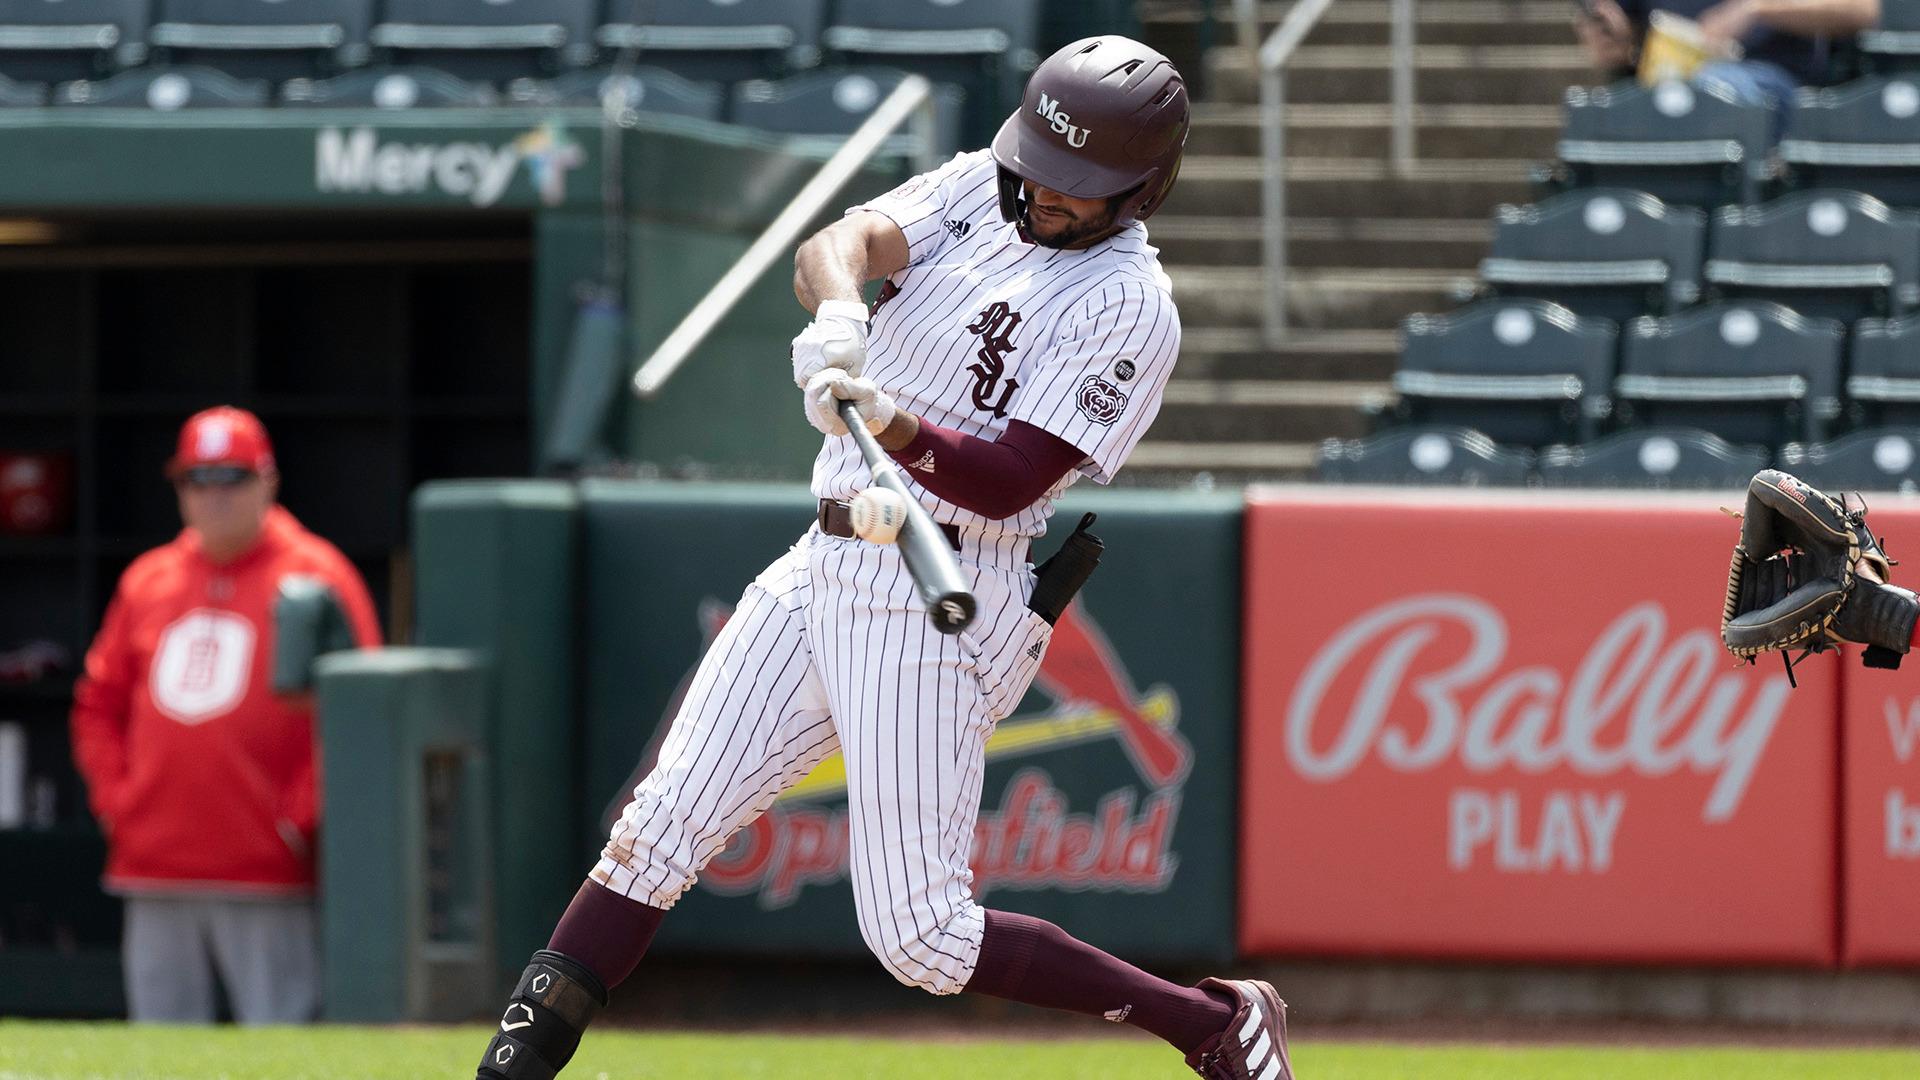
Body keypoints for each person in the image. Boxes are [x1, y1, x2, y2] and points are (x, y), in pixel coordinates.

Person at [472, 36, 1292, 1080]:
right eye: (1038, 166)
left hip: (941, 585)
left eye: (1077, 187)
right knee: (654, 831)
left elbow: (1011, 478)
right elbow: (842, 239)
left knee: (922, 938)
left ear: (1141, 189)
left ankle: (1213, 1024)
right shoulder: (972, 190)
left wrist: (892, 421)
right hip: (823, 556)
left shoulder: (1130, 303)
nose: (1045, 195)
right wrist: (843, 313)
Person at [70, 405, 380, 1024]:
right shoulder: (148, 578)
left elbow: (358, 714)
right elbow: (97, 706)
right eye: (197, 480)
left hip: (267, 870)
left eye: (231, 478)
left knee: (279, 1045)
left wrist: (299, 818)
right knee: (159, 1055)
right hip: (153, 860)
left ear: (267, 480)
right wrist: (116, 801)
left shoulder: (317, 575)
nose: (214, 497)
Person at [1575, 0, 1881, 109]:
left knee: (1712, 90)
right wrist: (1609, 37)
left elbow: (1862, 10)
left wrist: (1759, 9)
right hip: (1665, 83)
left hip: (1775, 87)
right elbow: (1618, 27)